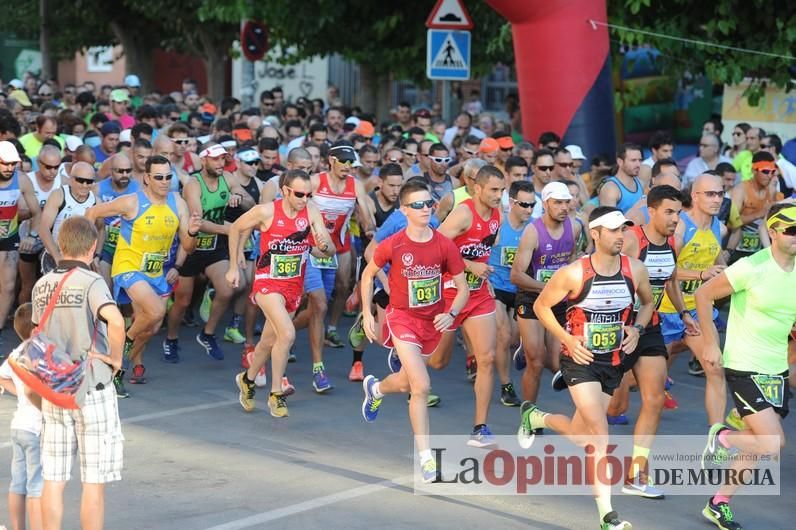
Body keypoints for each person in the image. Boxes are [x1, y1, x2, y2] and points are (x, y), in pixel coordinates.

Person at [518, 206, 653, 530]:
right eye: (613, 230)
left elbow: (647, 303)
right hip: (580, 362)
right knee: (599, 435)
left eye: (623, 230)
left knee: (581, 436)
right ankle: (608, 516)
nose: (621, 236)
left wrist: (637, 329)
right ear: (595, 234)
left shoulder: (634, 269)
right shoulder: (575, 273)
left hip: (613, 361)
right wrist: (567, 338)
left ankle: (536, 417)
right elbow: (541, 306)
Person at [359, 179, 468, 482]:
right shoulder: (394, 244)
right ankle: (426, 458)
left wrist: (452, 313)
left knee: (407, 382)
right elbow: (368, 276)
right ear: (404, 209)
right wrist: (368, 313)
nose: (425, 209)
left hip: (432, 323)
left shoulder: (444, 244)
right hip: (402, 318)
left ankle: (376, 389)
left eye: (429, 203)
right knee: (421, 386)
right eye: (417, 205)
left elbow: (462, 289)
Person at [696, 203, 796, 530]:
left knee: (755, 445)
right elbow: (704, 295)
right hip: (745, 365)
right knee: (772, 442)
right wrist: (710, 342)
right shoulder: (752, 267)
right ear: (773, 232)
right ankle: (722, 437)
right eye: (791, 230)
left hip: (776, 368)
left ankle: (719, 502)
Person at [31, 215, 125, 530]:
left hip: (55, 387)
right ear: (93, 246)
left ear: (62, 245)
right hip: (91, 386)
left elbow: (35, 336)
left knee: (53, 478)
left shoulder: (42, 285)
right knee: (93, 482)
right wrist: (115, 358)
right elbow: (116, 320)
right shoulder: (92, 281)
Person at [608, 185, 699, 498]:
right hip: (616, 330)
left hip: (649, 328)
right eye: (669, 212)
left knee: (655, 399)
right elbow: (609, 279)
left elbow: (671, 279)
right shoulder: (634, 240)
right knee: (603, 409)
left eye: (678, 212)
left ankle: (636, 475)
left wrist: (685, 312)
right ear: (652, 210)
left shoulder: (671, 241)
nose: (676, 218)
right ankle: (540, 415)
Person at [86, 155, 201, 394]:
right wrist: (88, 251)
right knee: (157, 311)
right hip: (128, 267)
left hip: (155, 271)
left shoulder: (177, 202)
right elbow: (93, 212)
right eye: (158, 177)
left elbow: (188, 247)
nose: (164, 181)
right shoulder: (131, 201)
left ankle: (116, 369)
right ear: (147, 178)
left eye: (168, 177)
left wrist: (191, 232)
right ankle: (121, 348)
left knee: (152, 326)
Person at [227, 169, 334, 417]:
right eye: (299, 194)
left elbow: (327, 250)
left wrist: (323, 244)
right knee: (286, 334)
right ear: (285, 190)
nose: (304, 199)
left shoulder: (312, 211)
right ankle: (276, 394)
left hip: (293, 286)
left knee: (268, 340)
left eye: (309, 194)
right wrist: (233, 266)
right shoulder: (267, 211)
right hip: (267, 282)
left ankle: (247, 379)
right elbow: (235, 228)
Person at [431, 164, 504, 447]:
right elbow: (435, 248)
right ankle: (408, 362)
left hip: (477, 296)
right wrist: (470, 265)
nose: (499, 195)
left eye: (502, 189)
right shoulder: (463, 213)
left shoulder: (497, 214)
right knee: (438, 362)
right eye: (494, 190)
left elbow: (485, 248)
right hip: (450, 294)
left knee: (487, 358)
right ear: (477, 189)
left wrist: (482, 274)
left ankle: (480, 428)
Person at [164, 143, 252, 361]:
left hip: (214, 246)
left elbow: (251, 202)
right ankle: (171, 339)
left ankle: (207, 333)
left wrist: (239, 198)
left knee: (227, 289)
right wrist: (228, 229)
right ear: (203, 160)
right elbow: (197, 221)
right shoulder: (194, 184)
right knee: (183, 301)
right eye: (215, 159)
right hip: (190, 246)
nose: (221, 163)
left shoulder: (229, 178)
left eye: (223, 159)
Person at [658, 173, 728, 424]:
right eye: (710, 194)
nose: (717, 199)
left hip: (697, 311)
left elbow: (720, 265)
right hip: (666, 310)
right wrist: (701, 273)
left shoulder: (719, 228)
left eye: (720, 193)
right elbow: (666, 270)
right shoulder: (680, 227)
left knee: (715, 368)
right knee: (637, 382)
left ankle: (716, 433)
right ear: (695, 196)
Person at [511, 182, 580, 404]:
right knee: (536, 361)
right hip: (531, 297)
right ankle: (528, 414)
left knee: (556, 363)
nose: (563, 207)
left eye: (566, 202)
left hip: (558, 301)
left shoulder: (575, 227)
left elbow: (570, 262)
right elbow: (517, 276)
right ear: (546, 204)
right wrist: (549, 287)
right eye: (557, 202)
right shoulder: (532, 232)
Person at [487, 179, 534, 406]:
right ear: (512, 202)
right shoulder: (496, 223)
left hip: (520, 289)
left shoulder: (534, 227)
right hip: (495, 285)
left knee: (514, 338)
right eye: (524, 204)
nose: (529, 209)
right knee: (503, 336)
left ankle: (521, 350)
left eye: (533, 205)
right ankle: (506, 385)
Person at [0, 303, 42, 530]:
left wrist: (18, 395)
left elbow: (2, 376)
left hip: (19, 425)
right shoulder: (39, 353)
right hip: (37, 427)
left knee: (18, 484)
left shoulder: (16, 353)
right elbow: (35, 390)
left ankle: (17, 528)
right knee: (38, 485)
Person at [0, 141, 41, 345]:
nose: (9, 168)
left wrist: (32, 235)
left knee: (7, 287)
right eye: (4, 163)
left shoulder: (22, 180)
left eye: (12, 164)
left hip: (9, 238)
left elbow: (37, 212)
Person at [38, 162, 98, 275]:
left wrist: (96, 255)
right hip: (55, 255)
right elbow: (43, 228)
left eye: (89, 181)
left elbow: (100, 229)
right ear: (71, 179)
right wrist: (57, 257)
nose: (85, 185)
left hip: (82, 260)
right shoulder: (59, 195)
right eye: (80, 180)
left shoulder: (95, 201)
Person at [726, 151, 783, 265]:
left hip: (762, 251)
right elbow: (731, 223)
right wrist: (758, 214)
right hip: (738, 251)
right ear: (753, 170)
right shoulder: (741, 190)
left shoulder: (774, 192)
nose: (769, 176)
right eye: (765, 171)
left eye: (772, 172)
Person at [95, 153, 140, 289]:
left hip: (129, 249)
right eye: (120, 171)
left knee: (128, 298)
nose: (125, 174)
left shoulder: (139, 189)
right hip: (106, 247)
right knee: (105, 289)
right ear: (111, 171)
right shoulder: (98, 188)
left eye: (128, 171)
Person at [599, 143, 644, 213]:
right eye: (633, 160)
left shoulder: (641, 183)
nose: (638, 164)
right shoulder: (610, 189)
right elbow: (608, 222)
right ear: (620, 162)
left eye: (640, 160)